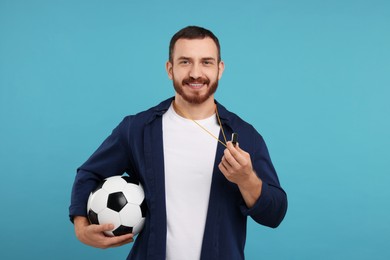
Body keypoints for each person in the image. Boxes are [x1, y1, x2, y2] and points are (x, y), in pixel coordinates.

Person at [69, 25, 288, 260]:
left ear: (219, 69)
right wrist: (81, 227)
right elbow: (89, 174)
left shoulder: (244, 136)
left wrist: (247, 180)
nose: (195, 73)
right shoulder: (137, 129)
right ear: (170, 69)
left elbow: (274, 214)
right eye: (185, 62)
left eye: (206, 62)